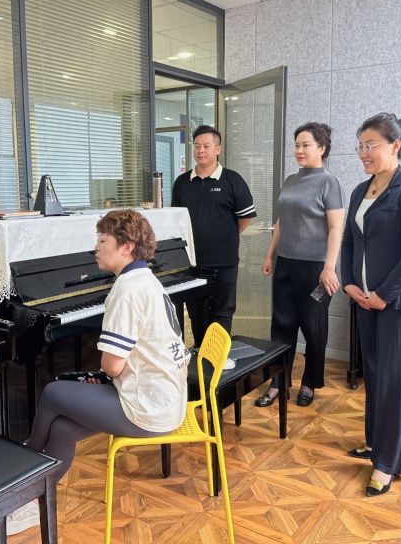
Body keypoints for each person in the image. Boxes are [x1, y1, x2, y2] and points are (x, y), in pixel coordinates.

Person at [28, 209, 189, 483]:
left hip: (147, 408)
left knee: (53, 392)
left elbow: (113, 367)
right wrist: (106, 376)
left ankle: (23, 474)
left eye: (103, 240)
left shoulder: (127, 290)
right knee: (62, 429)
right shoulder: (147, 279)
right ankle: (38, 495)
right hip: (169, 401)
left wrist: (106, 374)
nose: (96, 248)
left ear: (127, 246)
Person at [341, 113, 401, 497]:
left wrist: (383, 294)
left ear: (395, 146)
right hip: (364, 300)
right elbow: (350, 240)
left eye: (371, 145)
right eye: (360, 145)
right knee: (376, 376)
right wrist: (349, 282)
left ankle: (387, 463)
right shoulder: (360, 191)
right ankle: (376, 444)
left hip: (399, 302)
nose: (363, 153)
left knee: (394, 382)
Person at [255, 122, 344, 408]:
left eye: (306, 145)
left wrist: (329, 267)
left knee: (314, 329)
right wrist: (270, 254)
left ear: (322, 148)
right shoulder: (290, 181)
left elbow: (336, 228)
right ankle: (278, 383)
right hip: (285, 263)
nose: (299, 150)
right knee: (281, 327)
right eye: (296, 145)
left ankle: (310, 382)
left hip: (315, 268)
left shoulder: (329, 182)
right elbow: (282, 222)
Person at [171, 125, 256, 346]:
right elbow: (176, 220)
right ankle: (201, 359)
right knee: (197, 316)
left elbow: (245, 218)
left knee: (222, 315)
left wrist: (224, 235)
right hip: (192, 264)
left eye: (206, 146)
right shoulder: (181, 183)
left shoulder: (232, 180)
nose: (201, 151)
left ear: (218, 149)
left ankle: (218, 362)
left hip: (224, 264)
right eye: (197, 146)